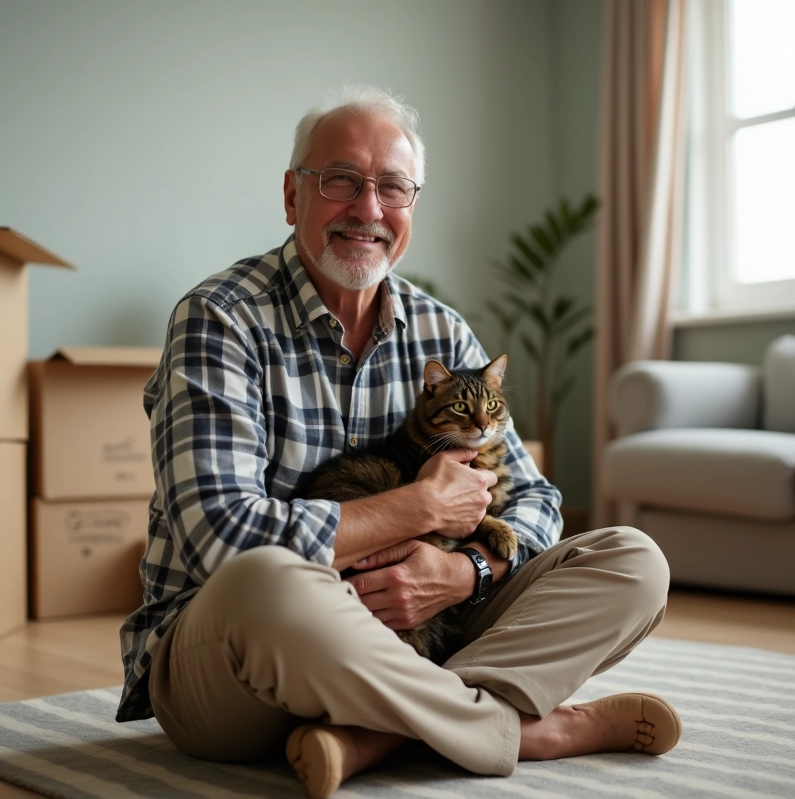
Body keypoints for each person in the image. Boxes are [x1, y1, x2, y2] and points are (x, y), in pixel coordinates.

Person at [116, 85, 678, 799]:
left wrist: (467, 572)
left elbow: (533, 498)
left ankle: (375, 737)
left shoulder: (444, 333)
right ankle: (532, 729)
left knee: (633, 562)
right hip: (241, 664)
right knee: (265, 579)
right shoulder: (219, 320)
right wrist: (419, 510)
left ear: (412, 207)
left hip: (425, 631)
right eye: (342, 181)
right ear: (293, 197)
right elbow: (222, 538)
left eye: (393, 188)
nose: (369, 209)